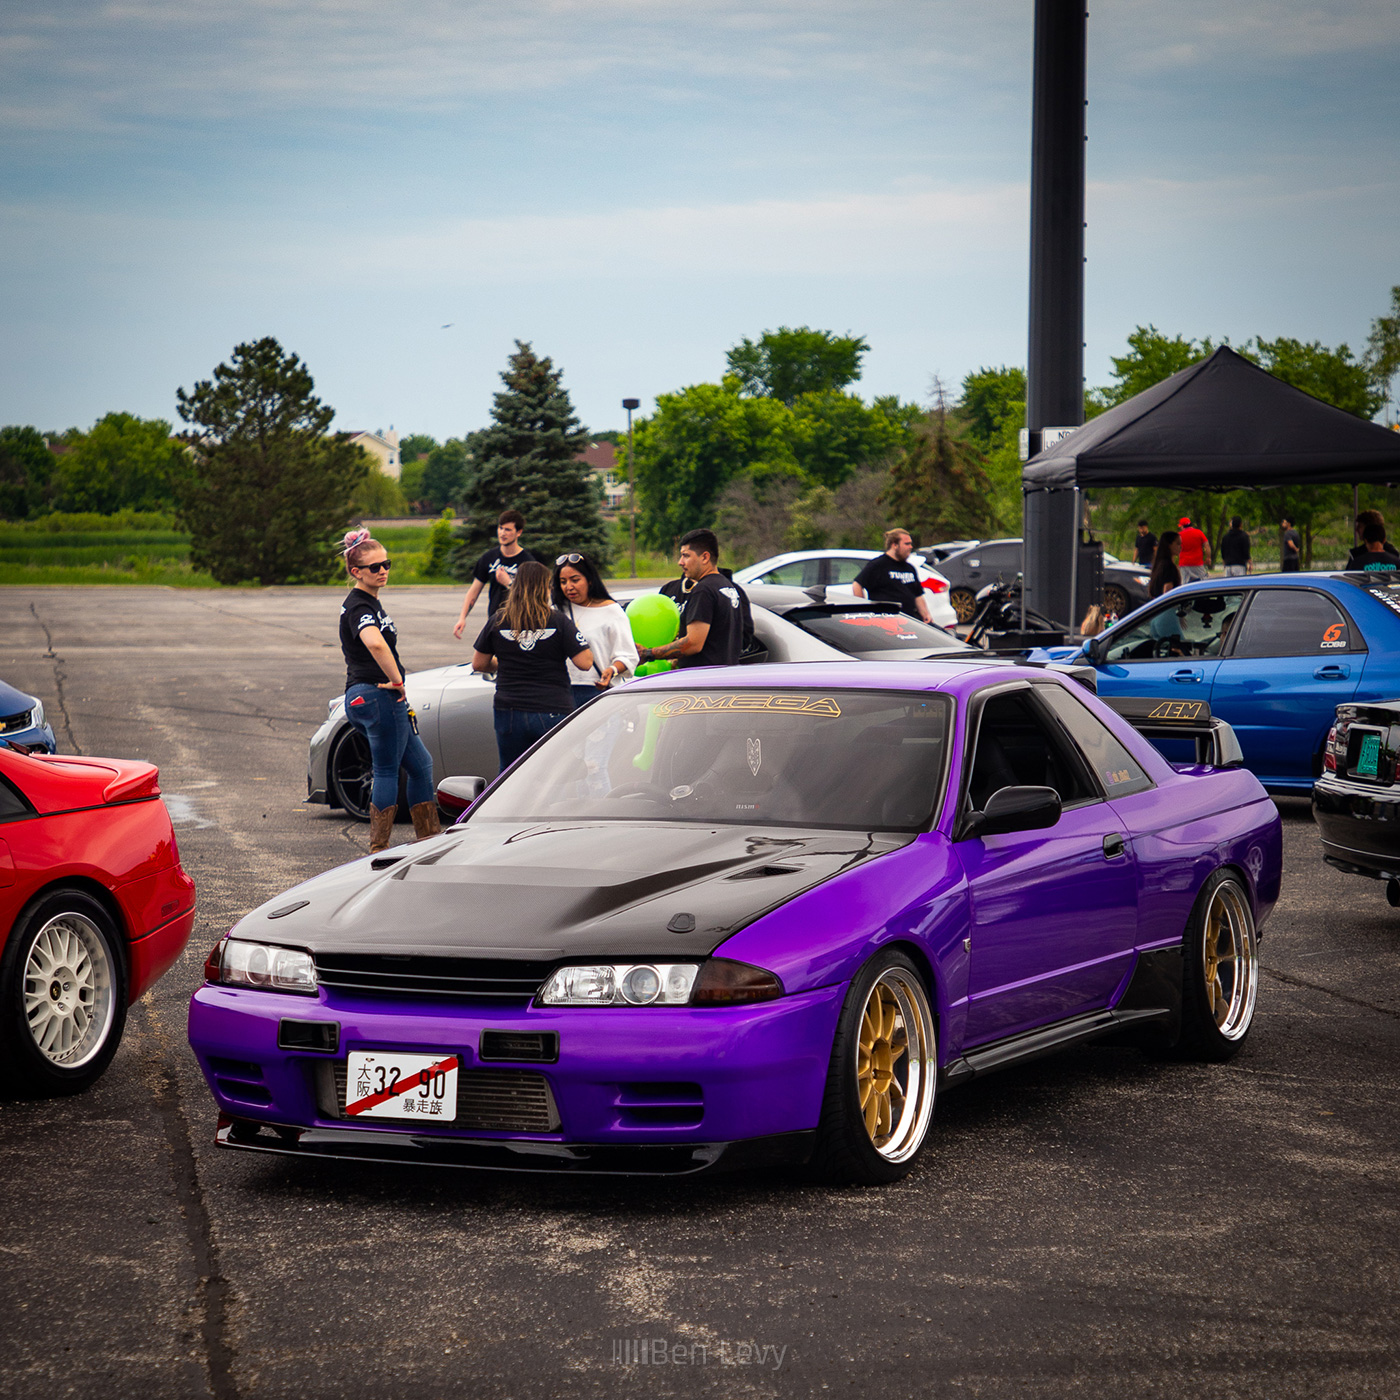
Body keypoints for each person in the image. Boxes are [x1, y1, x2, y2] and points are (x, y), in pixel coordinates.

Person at [338, 529, 439, 852]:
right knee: (385, 769)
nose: (383, 571)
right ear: (356, 572)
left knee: (421, 765)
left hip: (371, 695)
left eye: (387, 564)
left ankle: (428, 840)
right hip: (377, 695)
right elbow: (374, 642)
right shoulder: (359, 606)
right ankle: (378, 847)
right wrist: (397, 681)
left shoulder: (369, 603)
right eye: (374, 567)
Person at [473, 560, 592, 770]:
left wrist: (503, 662)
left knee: (511, 774)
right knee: (556, 773)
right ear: (543, 588)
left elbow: (479, 663)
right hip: (551, 708)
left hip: (509, 709)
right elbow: (585, 662)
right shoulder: (558, 621)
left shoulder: (499, 620)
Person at [637, 528, 745, 670]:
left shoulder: (703, 590)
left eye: (686, 556)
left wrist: (648, 653)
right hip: (724, 675)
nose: (680, 562)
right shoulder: (727, 587)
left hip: (703, 680)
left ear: (705, 557)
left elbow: (693, 644)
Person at [552, 552, 638, 709]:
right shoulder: (556, 612)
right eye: (563, 582)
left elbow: (629, 655)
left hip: (598, 691)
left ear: (590, 580)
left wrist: (612, 670)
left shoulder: (611, 610)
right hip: (563, 692)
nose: (569, 587)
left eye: (575, 580)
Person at [453, 510, 538, 640]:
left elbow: (531, 598)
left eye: (508, 530)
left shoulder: (528, 562)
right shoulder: (489, 557)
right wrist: (462, 618)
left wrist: (509, 583)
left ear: (519, 532)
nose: (503, 533)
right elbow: (473, 592)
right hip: (495, 622)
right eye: (500, 528)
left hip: (520, 626)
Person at [851, 529, 934, 623]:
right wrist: (864, 611)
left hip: (909, 620)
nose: (911, 547)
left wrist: (925, 614)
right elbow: (857, 585)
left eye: (911, 544)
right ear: (894, 545)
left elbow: (917, 595)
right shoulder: (878, 565)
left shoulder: (909, 568)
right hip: (887, 622)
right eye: (907, 544)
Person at [1177, 516, 1211, 583]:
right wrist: (1208, 558)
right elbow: (1206, 545)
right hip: (1198, 563)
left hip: (1184, 564)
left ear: (1182, 526)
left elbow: (1176, 549)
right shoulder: (1199, 533)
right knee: (1203, 582)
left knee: (1184, 584)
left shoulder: (1179, 535)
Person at [1149, 530, 1181, 599]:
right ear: (1169, 545)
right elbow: (1167, 593)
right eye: (1178, 544)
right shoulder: (1169, 567)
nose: (1180, 547)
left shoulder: (1159, 564)